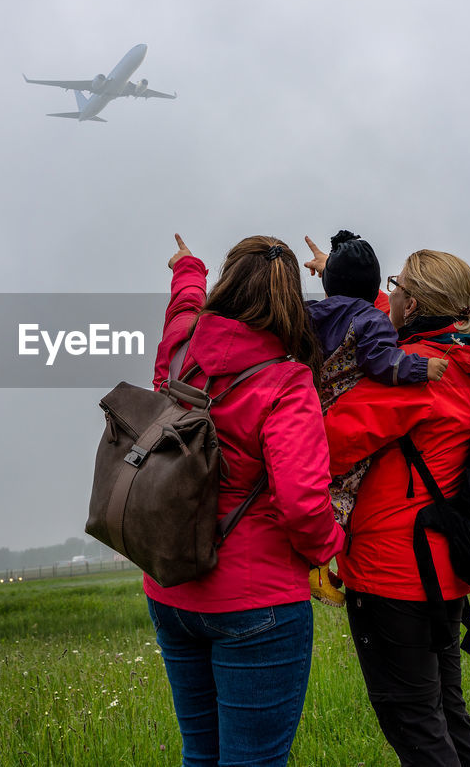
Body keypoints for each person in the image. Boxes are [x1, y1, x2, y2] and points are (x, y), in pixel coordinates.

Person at [145, 233, 346, 767]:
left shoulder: (181, 349)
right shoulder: (286, 381)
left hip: (171, 587)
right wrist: (331, 543)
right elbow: (303, 503)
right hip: (258, 604)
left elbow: (185, 305)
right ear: (288, 302)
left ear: (227, 284)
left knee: (201, 756)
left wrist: (187, 267)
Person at [323, 248, 470, 767]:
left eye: (396, 287)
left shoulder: (417, 380)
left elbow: (327, 443)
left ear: (415, 302)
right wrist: (347, 295)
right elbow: (398, 322)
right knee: (446, 713)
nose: (390, 294)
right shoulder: (462, 359)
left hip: (394, 575)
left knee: (416, 727)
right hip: (441, 570)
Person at [300, 230, 448, 607]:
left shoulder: (308, 313)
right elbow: (384, 362)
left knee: (316, 491)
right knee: (342, 493)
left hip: (309, 412)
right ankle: (317, 567)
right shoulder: (373, 321)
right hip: (341, 419)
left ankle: (318, 563)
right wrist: (420, 368)